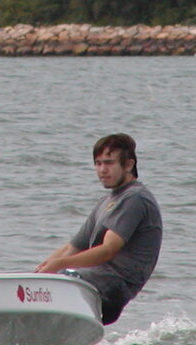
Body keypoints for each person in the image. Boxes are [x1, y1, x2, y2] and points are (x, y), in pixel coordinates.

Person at [35, 133, 162, 325]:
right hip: (94, 281)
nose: (102, 170)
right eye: (98, 163)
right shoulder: (106, 201)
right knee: (41, 284)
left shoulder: (135, 198)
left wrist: (59, 265)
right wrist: (39, 272)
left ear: (128, 165)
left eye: (109, 163)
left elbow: (108, 250)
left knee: (58, 281)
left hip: (113, 286)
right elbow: (73, 247)